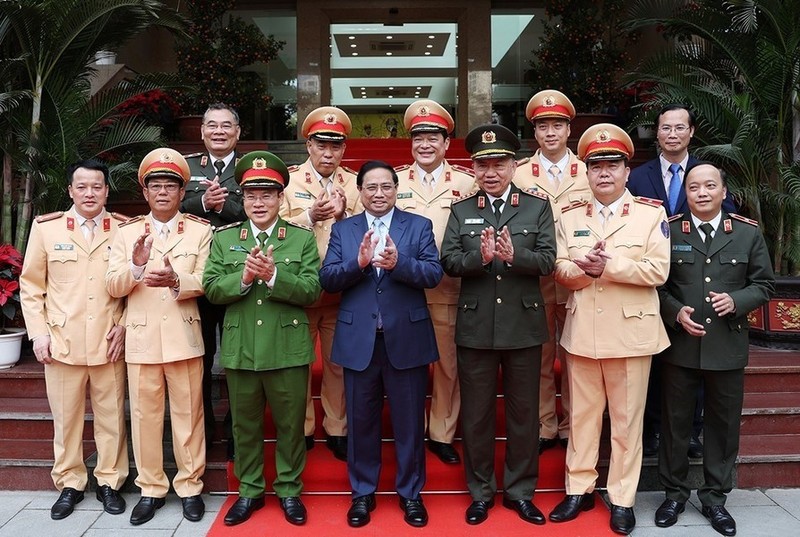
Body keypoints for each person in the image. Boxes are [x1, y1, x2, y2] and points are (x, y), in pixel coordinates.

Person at [548, 124, 671, 535]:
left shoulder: (650, 214)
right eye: (596, 165)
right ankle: (578, 490)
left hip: (631, 336)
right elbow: (561, 268)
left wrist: (610, 266)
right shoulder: (568, 216)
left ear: (626, 170)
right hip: (583, 333)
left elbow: (658, 270)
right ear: (586, 171)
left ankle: (622, 498)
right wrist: (584, 271)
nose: (604, 173)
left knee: (625, 422)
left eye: (612, 165)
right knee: (581, 418)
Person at [440, 124, 555, 526]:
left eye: (499, 163)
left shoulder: (537, 207)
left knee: (524, 415)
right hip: (476, 327)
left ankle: (521, 492)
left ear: (512, 166)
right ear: (473, 168)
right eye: (483, 164)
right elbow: (449, 262)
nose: (491, 171)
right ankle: (481, 491)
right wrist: (482, 259)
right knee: (476, 416)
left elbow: (547, 261)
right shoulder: (462, 210)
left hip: (522, 325)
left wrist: (515, 254)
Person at [319, 160, 442, 528]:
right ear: (360, 190)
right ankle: (362, 493)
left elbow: (434, 273)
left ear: (395, 189)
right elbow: (327, 278)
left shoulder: (418, 226)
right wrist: (357, 264)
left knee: (408, 424)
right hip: (360, 340)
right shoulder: (344, 230)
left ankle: (410, 494)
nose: (378, 194)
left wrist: (399, 263)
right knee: (361, 423)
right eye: (371, 187)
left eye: (386, 186)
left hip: (406, 337)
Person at [654, 162, 774, 537]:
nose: (702, 192)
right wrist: (675, 313)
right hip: (680, 346)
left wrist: (736, 301)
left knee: (722, 427)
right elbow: (656, 285)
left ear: (724, 192)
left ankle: (715, 499)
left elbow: (765, 284)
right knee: (675, 423)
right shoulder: (668, 231)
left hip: (727, 345)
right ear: (685, 193)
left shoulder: (746, 234)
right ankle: (674, 494)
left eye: (710, 186)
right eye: (693, 187)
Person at [203, 151, 321, 527]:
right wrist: (243, 279)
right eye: (251, 194)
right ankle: (250, 491)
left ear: (280, 198)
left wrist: (273, 277)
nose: (258, 202)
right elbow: (210, 288)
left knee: (290, 426)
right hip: (241, 350)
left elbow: (312, 290)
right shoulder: (225, 239)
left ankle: (289, 490)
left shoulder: (300, 239)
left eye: (267, 194)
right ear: (242, 197)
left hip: (287, 349)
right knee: (245, 426)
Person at [106, 148, 212, 526]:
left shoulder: (200, 230)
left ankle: (190, 486)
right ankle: (151, 488)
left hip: (184, 337)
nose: (163, 192)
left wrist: (177, 281)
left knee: (188, 417)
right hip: (141, 338)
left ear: (182, 193)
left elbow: (207, 280)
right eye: (156, 186)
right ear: (145, 193)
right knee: (145, 419)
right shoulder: (126, 233)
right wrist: (136, 266)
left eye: (171, 185)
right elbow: (112, 285)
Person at [20, 160, 129, 520]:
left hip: (108, 341)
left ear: (106, 191)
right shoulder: (47, 229)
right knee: (66, 420)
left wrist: (125, 325)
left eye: (96, 187)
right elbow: (31, 285)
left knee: (111, 417)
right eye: (81, 187)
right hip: (62, 343)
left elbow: (135, 288)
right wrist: (38, 333)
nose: (89, 193)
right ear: (70, 190)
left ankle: (110, 481)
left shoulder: (124, 229)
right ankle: (69, 482)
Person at [629, 104, 736, 459]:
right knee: (657, 360)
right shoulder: (636, 176)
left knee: (696, 355)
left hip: (698, 277)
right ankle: (655, 429)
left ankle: (692, 431)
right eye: (665, 128)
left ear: (691, 132)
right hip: (651, 280)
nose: (672, 134)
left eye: (679, 127)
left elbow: (728, 224)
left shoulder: (707, 174)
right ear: (656, 133)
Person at [394, 99, 476, 464]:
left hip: (448, 289)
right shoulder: (393, 180)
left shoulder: (466, 182)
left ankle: (441, 432)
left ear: (446, 143)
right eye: (419, 138)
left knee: (447, 365)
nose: (425, 145)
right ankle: (408, 428)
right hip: (401, 290)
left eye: (433, 137)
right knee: (404, 364)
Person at [280, 106, 361, 461]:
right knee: (298, 363)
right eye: (321, 145)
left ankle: (338, 427)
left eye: (336, 147)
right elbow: (276, 228)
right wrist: (309, 215)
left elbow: (369, 227)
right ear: (308, 145)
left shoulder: (356, 183)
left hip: (342, 288)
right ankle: (302, 427)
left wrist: (344, 215)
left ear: (344, 149)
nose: (328, 153)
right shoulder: (288, 180)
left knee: (337, 363)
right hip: (301, 286)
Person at [513, 89, 591, 453]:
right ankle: (545, 425)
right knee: (541, 357)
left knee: (576, 359)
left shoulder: (589, 172)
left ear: (569, 129)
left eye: (557, 125)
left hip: (579, 280)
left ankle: (573, 424)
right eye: (543, 126)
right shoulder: (519, 174)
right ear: (535, 132)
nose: (550, 133)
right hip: (536, 279)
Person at [183, 102, 246, 454]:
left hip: (239, 274)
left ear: (238, 132)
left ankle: (237, 433)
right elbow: (169, 207)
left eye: (226, 125)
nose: (218, 131)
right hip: (197, 276)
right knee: (200, 359)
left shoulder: (252, 166)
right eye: (212, 125)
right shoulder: (186, 166)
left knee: (236, 360)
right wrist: (203, 203)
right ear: (202, 131)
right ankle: (204, 432)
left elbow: (263, 209)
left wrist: (226, 207)